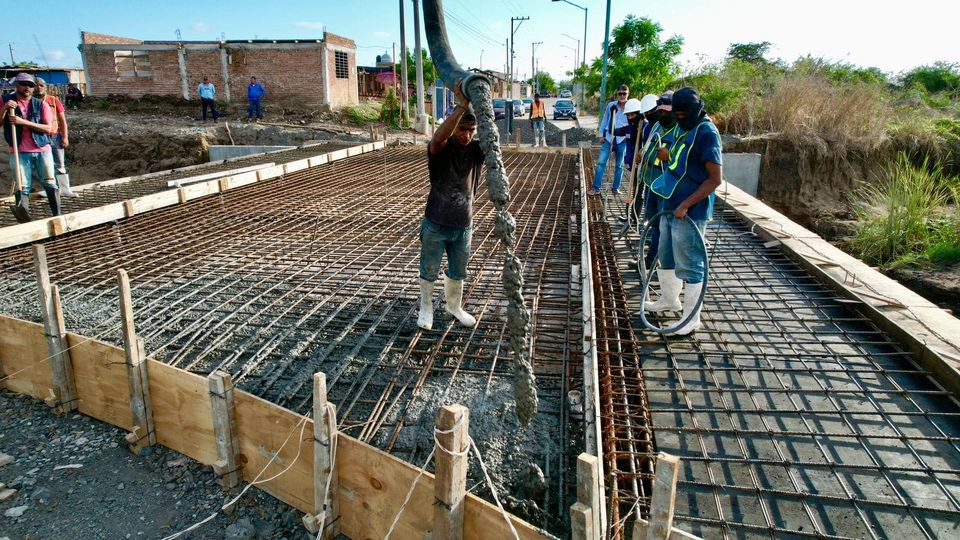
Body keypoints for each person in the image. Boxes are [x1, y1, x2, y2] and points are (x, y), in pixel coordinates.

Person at [644, 87, 722, 336]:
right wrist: (666, 155)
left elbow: (714, 179)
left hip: (690, 210)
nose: (678, 118)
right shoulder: (681, 125)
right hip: (670, 201)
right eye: (675, 114)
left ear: (695, 110)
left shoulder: (707, 132)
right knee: (666, 256)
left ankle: (690, 319)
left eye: (682, 114)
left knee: (690, 264)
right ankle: (669, 300)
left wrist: (686, 204)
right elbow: (678, 158)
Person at [417, 80, 485, 331]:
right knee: (430, 268)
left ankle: (453, 306)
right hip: (436, 222)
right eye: (462, 129)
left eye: (471, 130)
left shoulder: (477, 150)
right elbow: (438, 137)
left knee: (458, 271)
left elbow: (494, 143)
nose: (466, 134)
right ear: (455, 127)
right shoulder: (441, 148)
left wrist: (483, 107)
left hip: (463, 225)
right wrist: (460, 107)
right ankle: (426, 307)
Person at [1, 73, 61, 218]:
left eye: (30, 85)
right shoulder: (5, 101)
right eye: (23, 84)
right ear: (16, 85)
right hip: (19, 150)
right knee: (23, 185)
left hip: (42, 149)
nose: (27, 88)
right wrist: (4, 109)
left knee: (49, 182)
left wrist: (23, 122)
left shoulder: (41, 104)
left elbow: (48, 128)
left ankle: (57, 214)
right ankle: (24, 217)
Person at [635, 90, 676, 269]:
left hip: (666, 184)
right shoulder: (658, 125)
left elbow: (687, 157)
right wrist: (642, 154)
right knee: (653, 222)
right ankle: (651, 259)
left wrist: (670, 155)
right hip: (651, 181)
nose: (662, 114)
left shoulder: (681, 129)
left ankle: (654, 263)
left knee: (662, 226)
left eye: (667, 111)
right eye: (660, 111)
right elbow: (650, 144)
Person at [35, 78, 77, 197]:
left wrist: (65, 137)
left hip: (54, 135)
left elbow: (62, 121)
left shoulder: (53, 100)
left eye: (41, 85)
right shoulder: (31, 101)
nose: (39, 87)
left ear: (45, 86)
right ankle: (51, 190)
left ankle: (65, 189)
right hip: (39, 137)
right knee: (45, 164)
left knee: (60, 164)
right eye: (36, 85)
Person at [589, 84, 630, 196]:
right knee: (601, 163)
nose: (622, 95)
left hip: (622, 140)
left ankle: (615, 188)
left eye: (624, 93)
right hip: (608, 138)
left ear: (628, 94)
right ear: (617, 94)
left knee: (619, 165)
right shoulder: (611, 106)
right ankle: (596, 187)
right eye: (620, 93)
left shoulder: (630, 107)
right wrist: (601, 135)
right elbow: (605, 120)